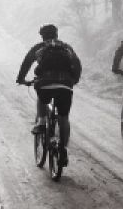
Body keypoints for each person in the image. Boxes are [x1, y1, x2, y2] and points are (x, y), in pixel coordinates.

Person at [15, 23, 82, 165]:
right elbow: (77, 64)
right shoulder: (66, 47)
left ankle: (41, 121)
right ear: (56, 34)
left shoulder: (39, 47)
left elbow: (26, 63)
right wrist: (74, 80)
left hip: (45, 83)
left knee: (42, 97)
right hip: (65, 85)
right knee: (64, 117)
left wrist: (21, 79)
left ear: (42, 36)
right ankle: (63, 149)